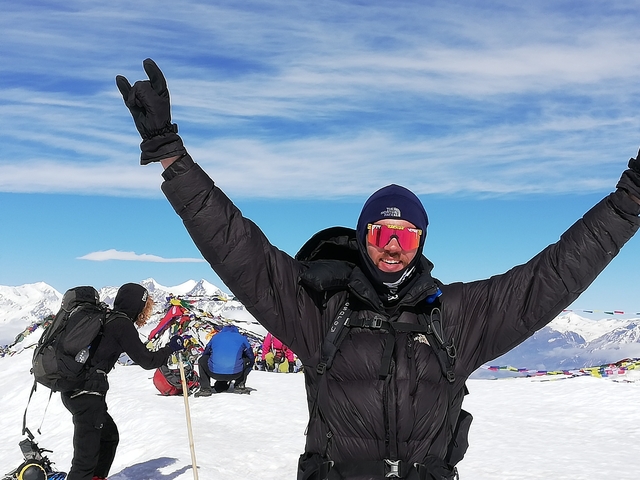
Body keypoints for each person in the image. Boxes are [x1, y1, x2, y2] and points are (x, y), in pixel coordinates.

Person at [116, 59, 640, 480]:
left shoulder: (456, 317)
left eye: (405, 235)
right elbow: (235, 247)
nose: (393, 247)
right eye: (381, 234)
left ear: (422, 243)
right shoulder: (318, 311)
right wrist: (170, 156)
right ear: (363, 240)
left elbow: (552, 276)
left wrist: (629, 202)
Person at [61, 283, 184, 480]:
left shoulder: (106, 318)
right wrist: (170, 348)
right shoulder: (122, 324)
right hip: (87, 395)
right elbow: (147, 360)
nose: (145, 313)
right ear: (138, 305)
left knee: (108, 437)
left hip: (75, 391)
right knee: (84, 462)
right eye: (145, 308)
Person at [195, 324, 255, 396]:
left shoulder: (215, 337)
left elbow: (205, 353)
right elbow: (251, 357)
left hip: (214, 374)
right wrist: (248, 368)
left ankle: (205, 388)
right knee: (246, 360)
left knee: (202, 360)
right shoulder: (242, 338)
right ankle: (240, 385)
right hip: (236, 374)